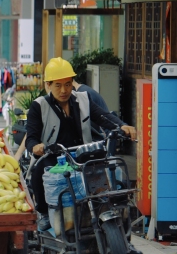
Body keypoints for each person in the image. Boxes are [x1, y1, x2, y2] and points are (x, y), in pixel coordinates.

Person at [25, 57, 136, 231]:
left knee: (110, 171)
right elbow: (31, 136)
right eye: (58, 85)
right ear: (48, 85)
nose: (64, 90)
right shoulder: (39, 106)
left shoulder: (83, 99)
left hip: (82, 153)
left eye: (68, 84)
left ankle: (106, 209)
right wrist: (35, 146)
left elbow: (103, 116)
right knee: (40, 171)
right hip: (54, 157)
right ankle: (46, 213)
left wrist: (122, 125)